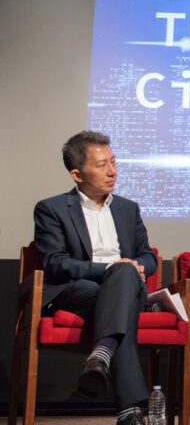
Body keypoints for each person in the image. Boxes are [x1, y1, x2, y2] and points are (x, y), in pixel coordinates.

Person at [34, 131, 156, 425]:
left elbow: (148, 257)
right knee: (122, 288)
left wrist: (131, 266)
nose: (112, 171)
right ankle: (129, 409)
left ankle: (101, 355)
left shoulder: (129, 209)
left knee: (126, 276)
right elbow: (56, 263)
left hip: (126, 287)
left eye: (113, 162)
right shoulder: (51, 209)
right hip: (76, 291)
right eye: (101, 165)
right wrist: (110, 269)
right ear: (77, 174)